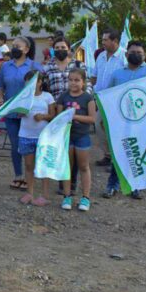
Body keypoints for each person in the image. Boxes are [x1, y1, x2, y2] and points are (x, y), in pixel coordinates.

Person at [104, 40, 146, 200]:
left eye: (139, 53)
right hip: (121, 122)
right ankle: (112, 185)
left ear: (145, 55)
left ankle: (136, 186)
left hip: (143, 121)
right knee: (119, 153)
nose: (135, 55)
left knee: (138, 152)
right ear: (126, 54)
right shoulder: (117, 74)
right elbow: (109, 95)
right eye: (132, 52)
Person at [0, 36, 43, 190]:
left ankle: (33, 175)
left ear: (27, 50)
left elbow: (41, 90)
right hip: (11, 113)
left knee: (31, 145)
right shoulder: (5, 67)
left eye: (19, 46)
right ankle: (18, 175)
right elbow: (0, 85)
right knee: (15, 145)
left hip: (29, 114)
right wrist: (0, 97)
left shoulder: (34, 67)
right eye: (13, 45)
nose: (15, 48)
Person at [45, 37, 89, 194]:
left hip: (77, 110)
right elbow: (46, 87)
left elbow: (88, 84)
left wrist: (84, 102)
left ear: (69, 48)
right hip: (57, 111)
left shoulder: (78, 65)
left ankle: (73, 182)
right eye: (57, 47)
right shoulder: (48, 66)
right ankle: (62, 181)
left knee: (76, 149)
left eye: (63, 47)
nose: (60, 49)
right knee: (62, 147)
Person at [56, 68, 97, 211]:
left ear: (83, 82)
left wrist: (74, 116)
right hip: (67, 138)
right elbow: (58, 118)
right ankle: (67, 196)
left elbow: (92, 119)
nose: (73, 83)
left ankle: (85, 198)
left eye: (77, 80)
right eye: (71, 80)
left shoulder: (88, 98)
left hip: (82, 137)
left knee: (84, 167)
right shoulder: (63, 97)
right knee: (67, 167)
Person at [17, 70, 55, 206]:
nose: (29, 84)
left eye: (33, 81)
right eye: (27, 81)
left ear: (40, 83)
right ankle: (30, 192)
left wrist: (43, 116)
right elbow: (17, 113)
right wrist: (20, 113)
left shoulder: (48, 97)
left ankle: (44, 195)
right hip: (25, 135)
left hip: (43, 136)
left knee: (44, 165)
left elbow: (53, 115)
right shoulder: (23, 97)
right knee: (28, 165)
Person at [91, 28, 126, 167]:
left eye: (105, 40)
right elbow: (94, 76)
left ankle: (117, 160)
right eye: (102, 39)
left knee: (115, 130)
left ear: (115, 41)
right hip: (100, 99)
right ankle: (108, 155)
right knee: (98, 125)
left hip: (117, 101)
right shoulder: (100, 56)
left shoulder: (124, 57)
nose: (102, 42)